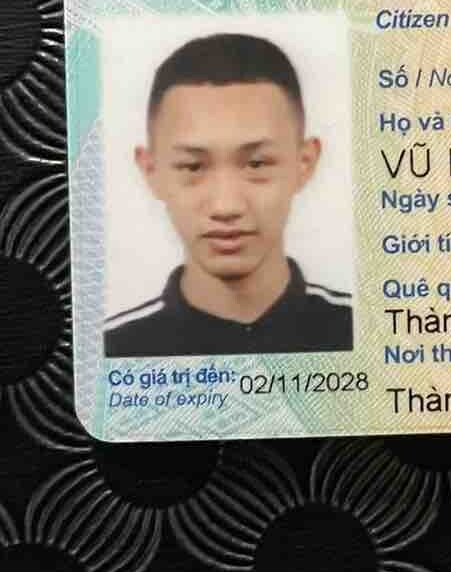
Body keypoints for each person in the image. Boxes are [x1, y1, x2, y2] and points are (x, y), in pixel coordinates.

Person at [104, 32, 352, 357]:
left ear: (304, 163)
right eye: (193, 167)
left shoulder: (367, 331)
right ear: (151, 171)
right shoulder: (111, 351)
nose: (226, 206)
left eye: (257, 163)